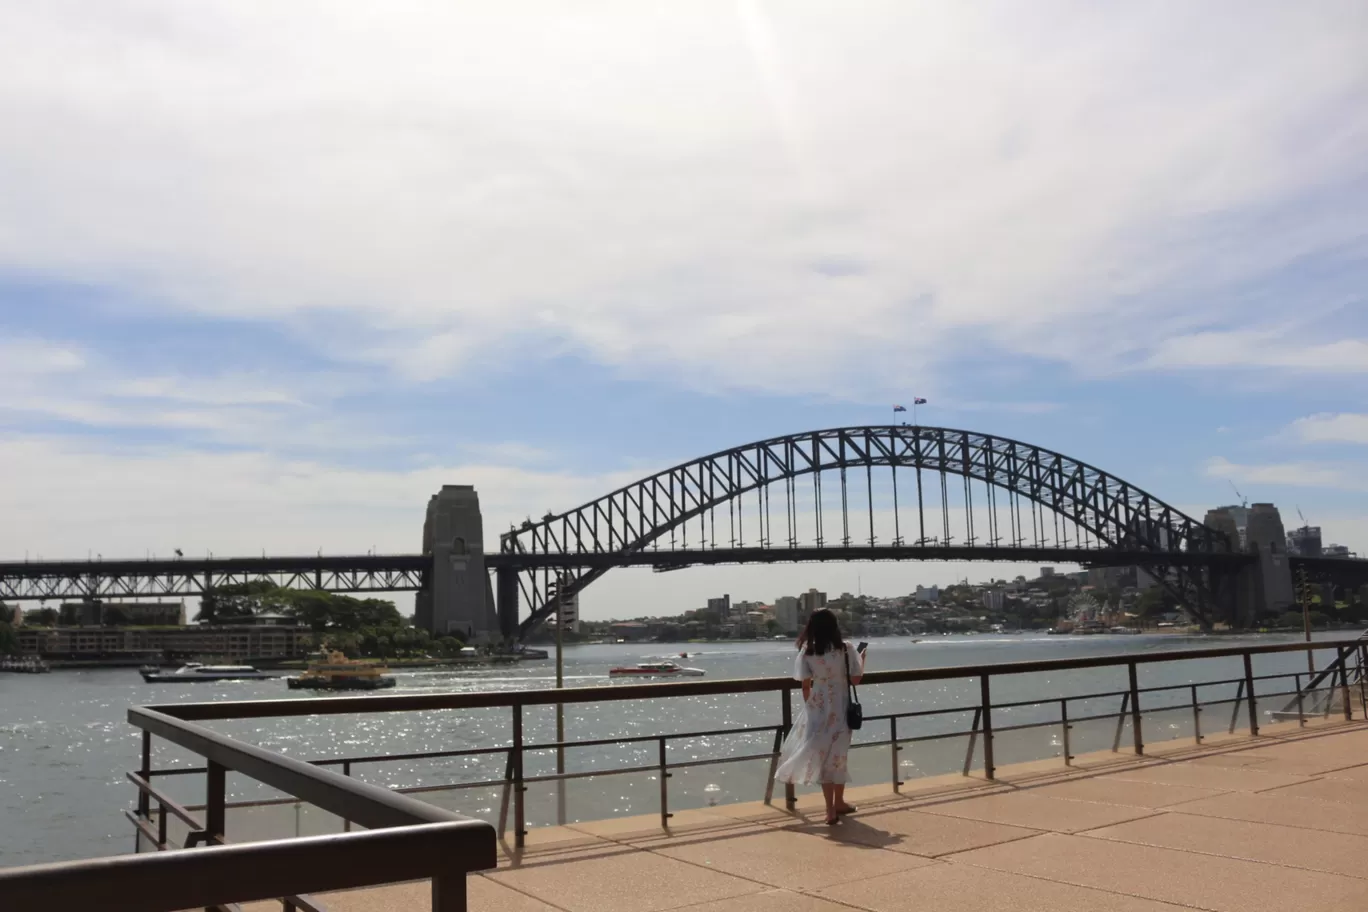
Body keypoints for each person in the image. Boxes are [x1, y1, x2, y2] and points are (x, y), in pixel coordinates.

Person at [774, 608, 865, 825]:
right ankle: (836, 806)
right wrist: (862, 660)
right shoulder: (846, 649)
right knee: (838, 756)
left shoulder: (808, 651)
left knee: (824, 759)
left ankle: (832, 808)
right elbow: (856, 679)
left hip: (818, 709)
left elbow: (805, 684)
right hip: (841, 709)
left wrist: (811, 708)